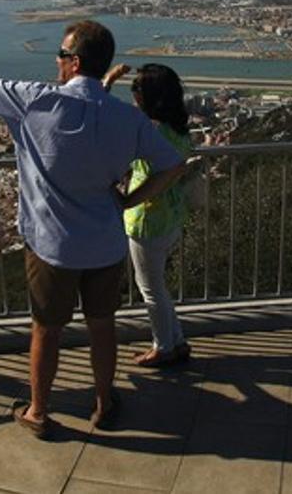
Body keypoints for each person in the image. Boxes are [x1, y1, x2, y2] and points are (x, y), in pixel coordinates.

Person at [0, 20, 184, 439]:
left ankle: (39, 411)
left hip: (53, 246)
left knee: (46, 330)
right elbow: (172, 165)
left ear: (74, 61)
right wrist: (128, 200)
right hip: (105, 244)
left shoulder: (35, 101)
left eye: (61, 55)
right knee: (102, 328)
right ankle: (104, 402)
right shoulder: (127, 119)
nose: (56, 61)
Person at [103, 62, 193, 367]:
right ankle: (177, 341)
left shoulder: (148, 131)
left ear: (150, 96)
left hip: (147, 220)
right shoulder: (177, 128)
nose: (133, 96)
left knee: (151, 290)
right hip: (171, 217)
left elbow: (98, 112)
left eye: (136, 89)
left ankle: (163, 347)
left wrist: (127, 200)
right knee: (159, 286)